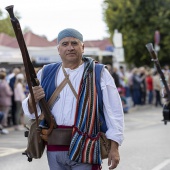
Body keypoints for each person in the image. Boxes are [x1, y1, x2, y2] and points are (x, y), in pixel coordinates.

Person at [22, 28, 124, 170]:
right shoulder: (46, 72)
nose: (70, 47)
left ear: (82, 47)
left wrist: (115, 147)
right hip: (55, 149)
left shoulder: (99, 73)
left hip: (86, 148)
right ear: (58, 49)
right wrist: (33, 100)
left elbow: (114, 112)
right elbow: (31, 112)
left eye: (74, 43)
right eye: (65, 44)